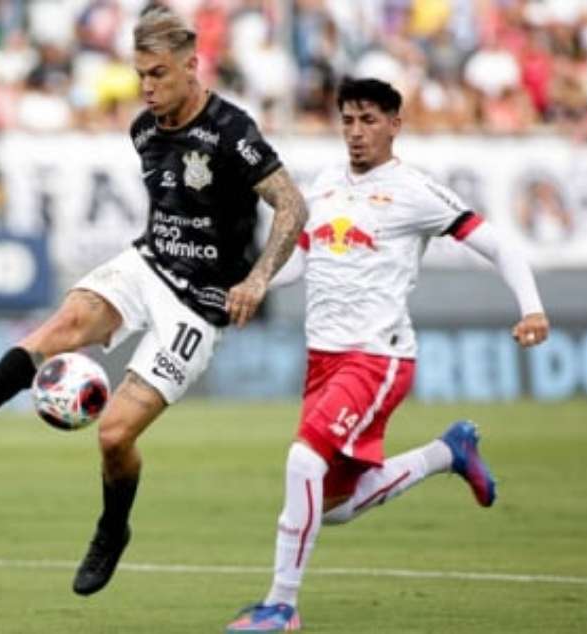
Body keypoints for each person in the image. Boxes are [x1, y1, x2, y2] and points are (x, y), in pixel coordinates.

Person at [0, 6, 307, 597]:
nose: (147, 88)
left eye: (158, 74)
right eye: (140, 76)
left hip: (198, 305)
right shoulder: (144, 131)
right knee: (69, 318)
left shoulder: (232, 131)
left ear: (191, 67)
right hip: (148, 263)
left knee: (113, 437)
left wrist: (256, 279)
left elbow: (291, 205)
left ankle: (112, 526)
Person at [225, 78, 549, 632]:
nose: (356, 132)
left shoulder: (414, 190)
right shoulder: (324, 184)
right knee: (334, 506)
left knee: (303, 461)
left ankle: (281, 606)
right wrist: (251, 284)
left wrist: (533, 309)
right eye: (348, 119)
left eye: (369, 120)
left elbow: (499, 244)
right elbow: (304, 262)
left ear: (395, 124)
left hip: (378, 357)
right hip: (322, 360)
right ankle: (448, 452)